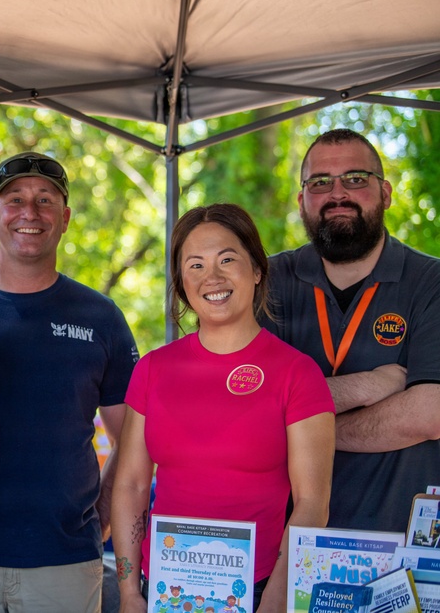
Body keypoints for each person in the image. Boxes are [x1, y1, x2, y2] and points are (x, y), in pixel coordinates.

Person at [0, 152, 140, 613]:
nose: (30, 212)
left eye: (45, 200)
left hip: (64, 564)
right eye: (15, 199)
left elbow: (137, 440)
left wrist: (98, 517)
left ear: (64, 219)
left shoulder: (100, 316)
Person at [111, 203, 335, 613]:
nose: (211, 277)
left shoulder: (297, 374)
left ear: (256, 270)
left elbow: (312, 502)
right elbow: (131, 486)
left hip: (259, 591)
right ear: (181, 283)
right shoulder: (152, 370)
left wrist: (276, 599)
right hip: (162, 590)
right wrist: (128, 592)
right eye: (194, 265)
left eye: (227, 259)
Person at [265, 128, 440, 533]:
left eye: (356, 179)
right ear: (301, 199)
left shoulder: (431, 282)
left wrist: (300, 429)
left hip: (399, 550)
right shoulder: (266, 281)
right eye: (320, 182)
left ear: (386, 193)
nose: (337, 193)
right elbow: (242, 405)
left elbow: (430, 413)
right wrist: (367, 386)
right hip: (285, 544)